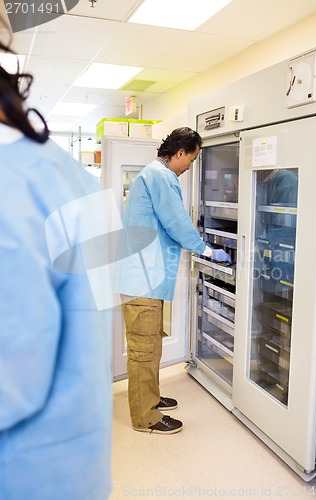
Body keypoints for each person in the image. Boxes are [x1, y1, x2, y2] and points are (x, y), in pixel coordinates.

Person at [0, 21, 112, 500]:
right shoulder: (76, 178)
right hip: (76, 468)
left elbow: (11, 380)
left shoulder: (11, 189)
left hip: (23, 475)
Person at [115, 127, 231, 434]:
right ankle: (145, 417)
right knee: (143, 349)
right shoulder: (161, 177)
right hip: (142, 280)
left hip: (145, 278)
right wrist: (207, 249)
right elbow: (176, 221)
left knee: (150, 344)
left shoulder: (153, 175)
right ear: (179, 153)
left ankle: (150, 398)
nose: (189, 167)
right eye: (190, 160)